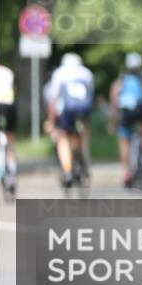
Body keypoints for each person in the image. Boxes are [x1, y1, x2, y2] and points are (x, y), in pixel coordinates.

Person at [47, 52, 95, 187]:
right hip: (84, 110)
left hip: (67, 110)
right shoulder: (87, 73)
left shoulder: (59, 73)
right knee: (83, 133)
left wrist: (51, 121)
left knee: (63, 137)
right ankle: (84, 155)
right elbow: (91, 94)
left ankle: (67, 170)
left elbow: (54, 99)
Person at [108, 52, 142, 188]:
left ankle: (128, 173)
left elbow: (114, 98)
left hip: (126, 110)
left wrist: (112, 121)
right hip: (141, 108)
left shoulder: (122, 78)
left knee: (124, 142)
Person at [0, 52, 19, 194]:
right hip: (9, 106)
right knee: (10, 141)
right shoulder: (8, 72)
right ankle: (12, 170)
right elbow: (14, 90)